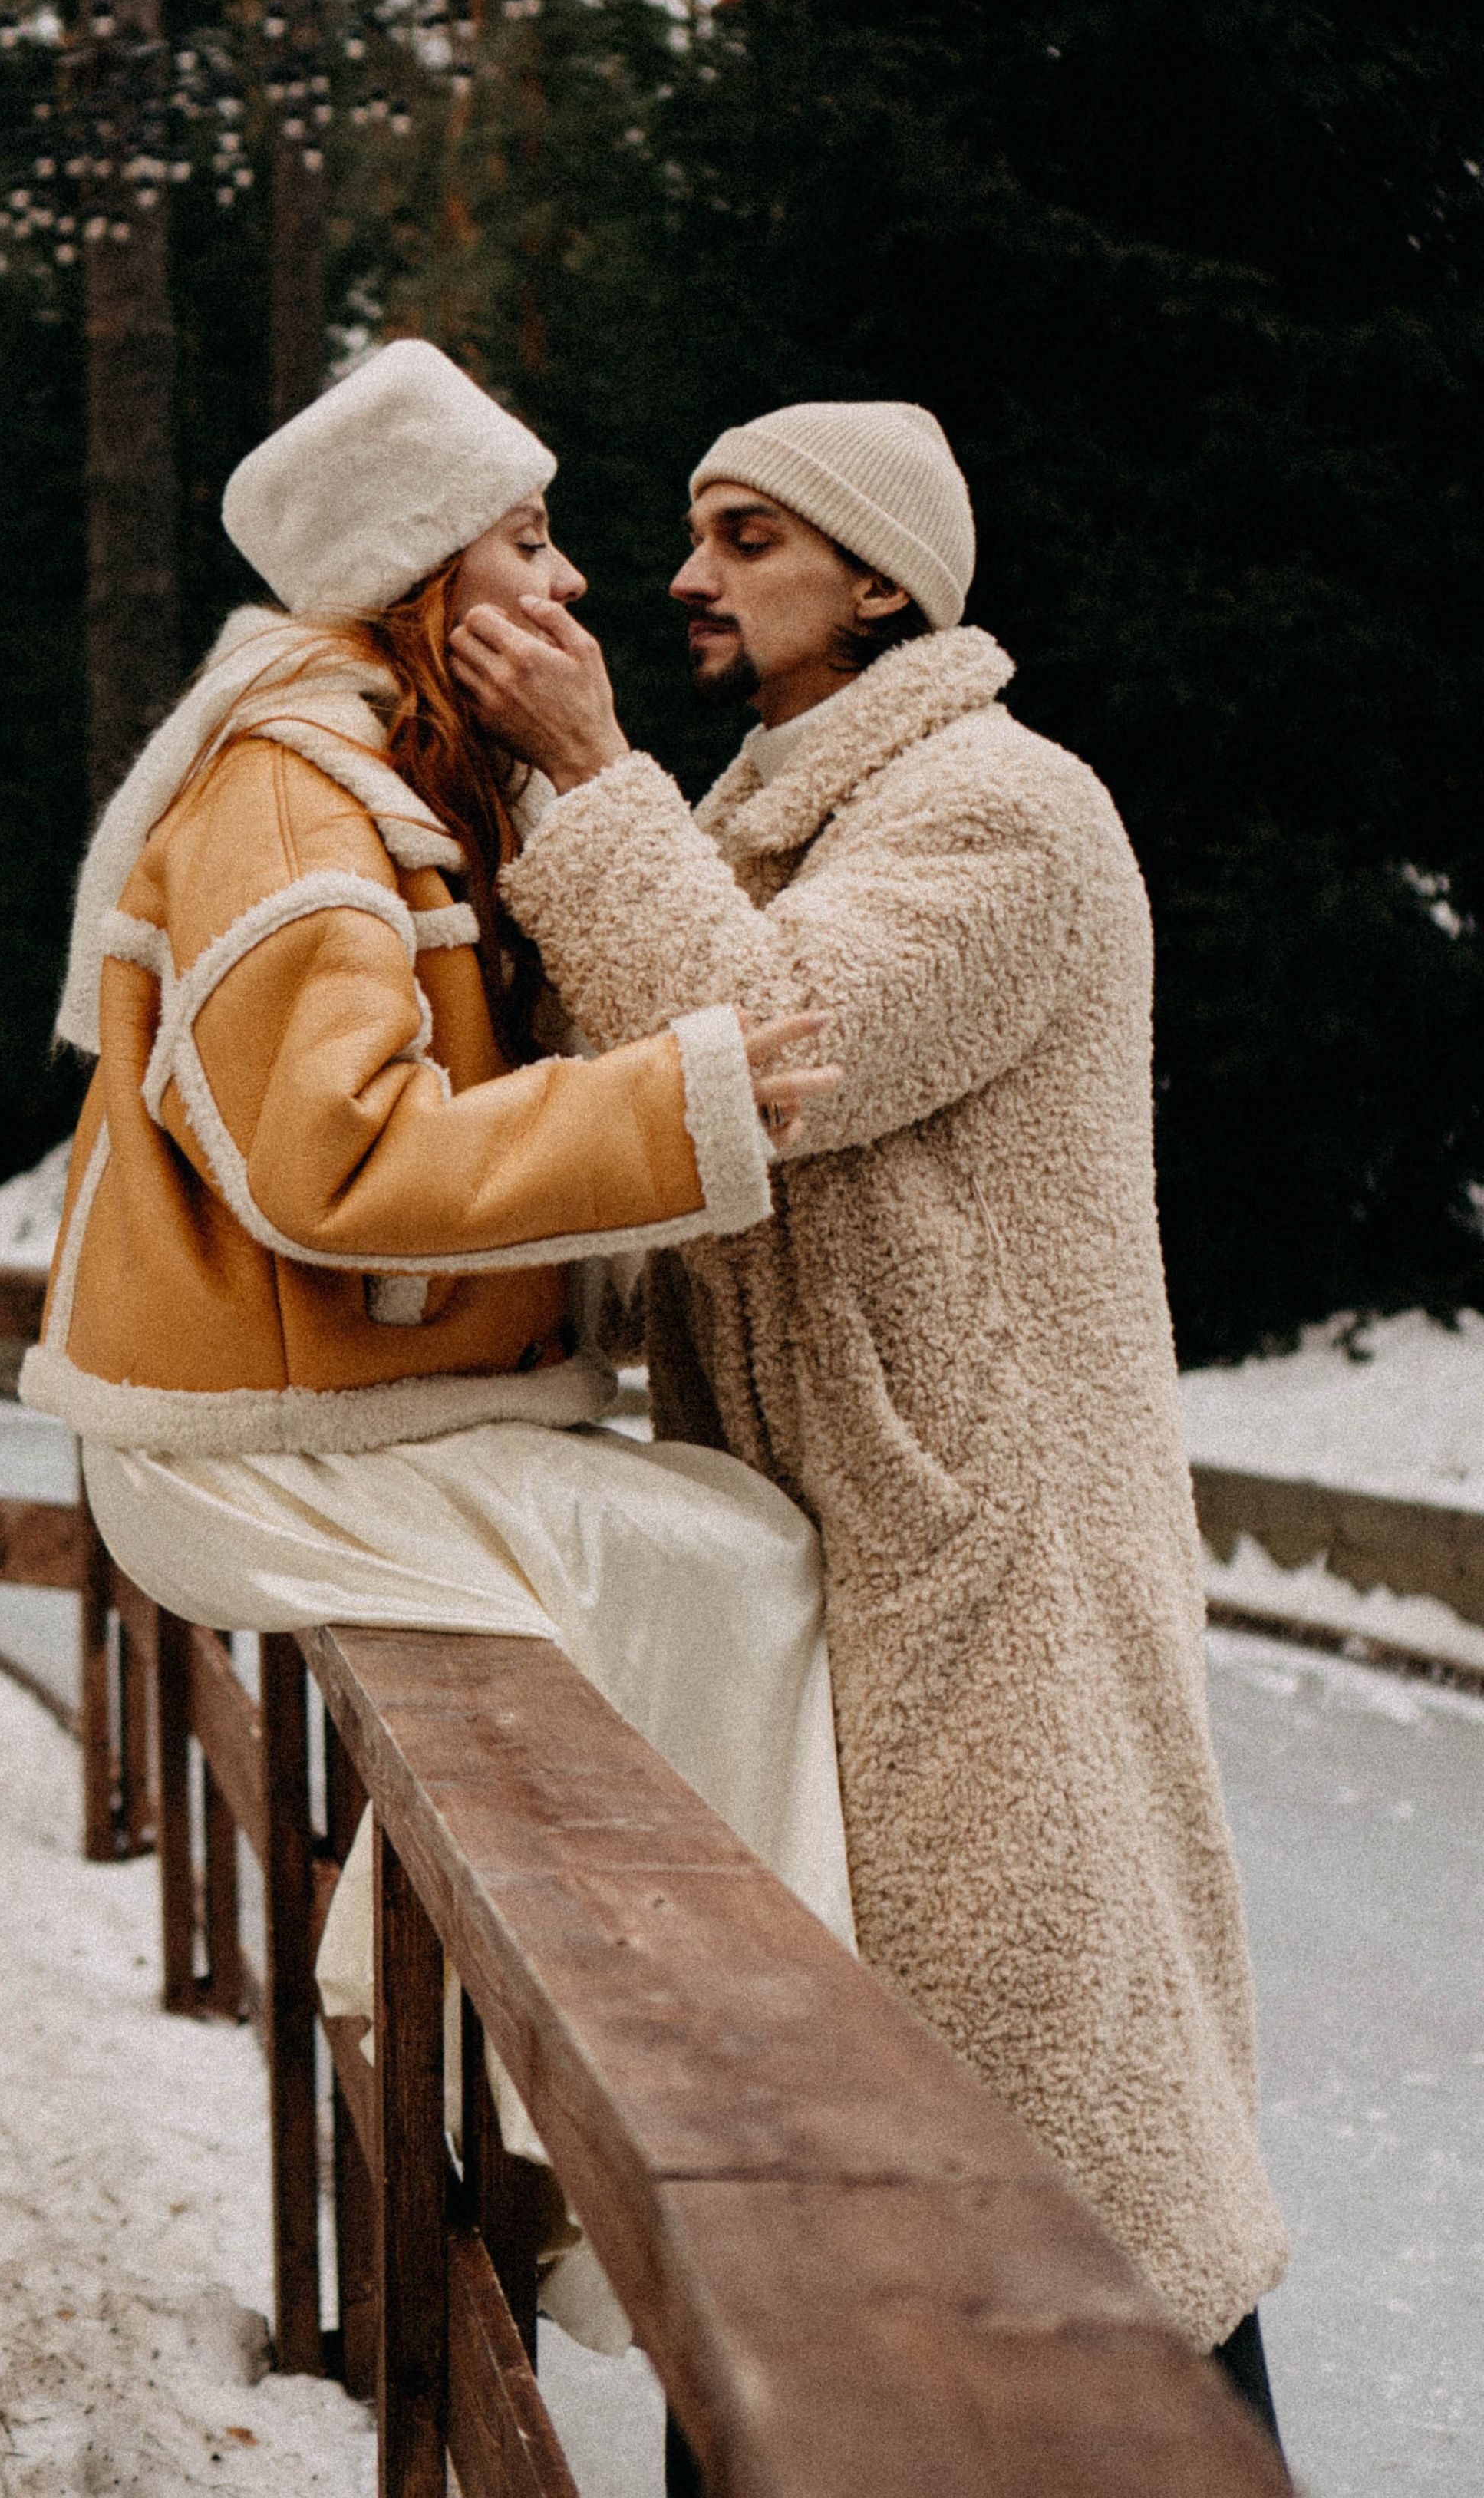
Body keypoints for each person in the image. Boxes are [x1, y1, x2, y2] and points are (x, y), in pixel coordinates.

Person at [448, 399, 1290, 2442]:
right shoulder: (761, 826)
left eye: (748, 539)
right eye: (693, 533)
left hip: (989, 1586)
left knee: (1069, 2154)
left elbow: (774, 1057)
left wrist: (588, 774)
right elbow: (620, 1075)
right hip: (823, 1569)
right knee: (816, 2151)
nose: (685, 578)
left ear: (885, 582)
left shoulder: (1009, 813)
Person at [19, 340, 855, 2353]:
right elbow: (331, 1164)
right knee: (732, 1566)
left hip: (329, 1419)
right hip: (241, 1446)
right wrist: (679, 1103)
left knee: (724, 1544)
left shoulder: (384, 774)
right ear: (416, 570)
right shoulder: (290, 797)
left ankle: (588, 2086)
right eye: (528, 538)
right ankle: (653, 2122)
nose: (573, 580)